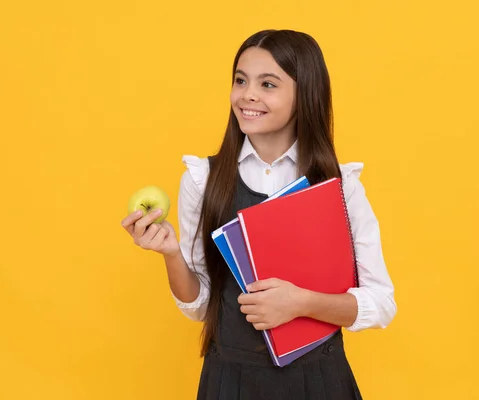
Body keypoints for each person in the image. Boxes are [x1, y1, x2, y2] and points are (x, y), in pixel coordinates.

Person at [121, 29, 397, 400]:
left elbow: (381, 304)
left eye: (268, 84)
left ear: (305, 96)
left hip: (319, 383)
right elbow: (200, 307)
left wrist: (301, 303)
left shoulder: (340, 186)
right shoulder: (203, 180)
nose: (247, 94)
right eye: (240, 80)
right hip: (230, 382)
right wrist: (170, 253)